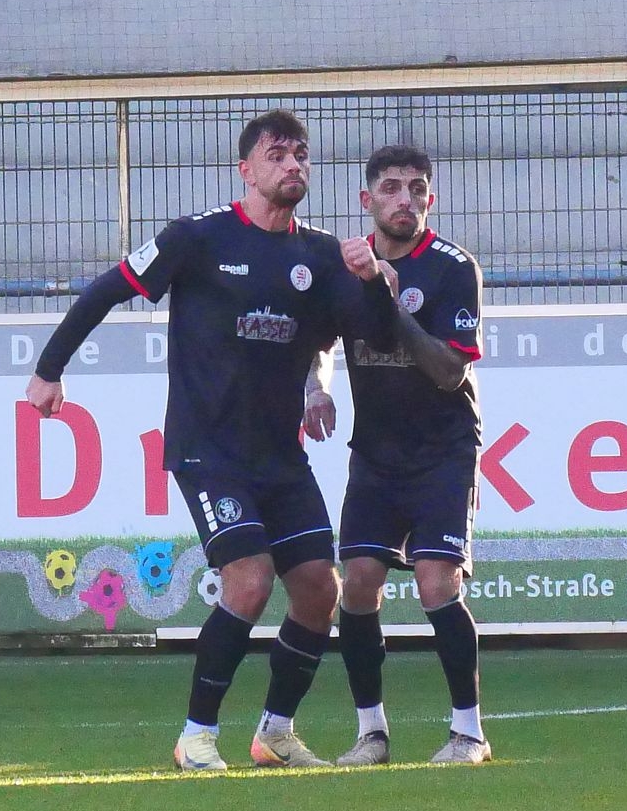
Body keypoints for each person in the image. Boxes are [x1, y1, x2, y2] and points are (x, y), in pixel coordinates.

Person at [25, 109, 397, 772]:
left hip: (280, 456)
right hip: (208, 450)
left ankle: (275, 732)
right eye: (277, 154)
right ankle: (196, 735)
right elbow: (106, 290)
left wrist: (373, 285)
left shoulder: (320, 256)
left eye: (301, 155)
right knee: (249, 580)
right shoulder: (197, 237)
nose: (293, 165)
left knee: (320, 589)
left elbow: (369, 335)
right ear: (245, 169)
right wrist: (48, 370)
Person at [302, 144, 490, 765]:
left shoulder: (453, 268)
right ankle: (371, 734)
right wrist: (317, 390)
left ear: (431, 199)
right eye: (390, 188)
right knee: (356, 585)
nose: (404, 199)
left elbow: (449, 371)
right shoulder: (345, 266)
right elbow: (320, 342)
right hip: (376, 455)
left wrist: (388, 298)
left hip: (443, 451)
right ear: (367, 200)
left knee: (438, 582)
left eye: (416, 188)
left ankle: (469, 733)